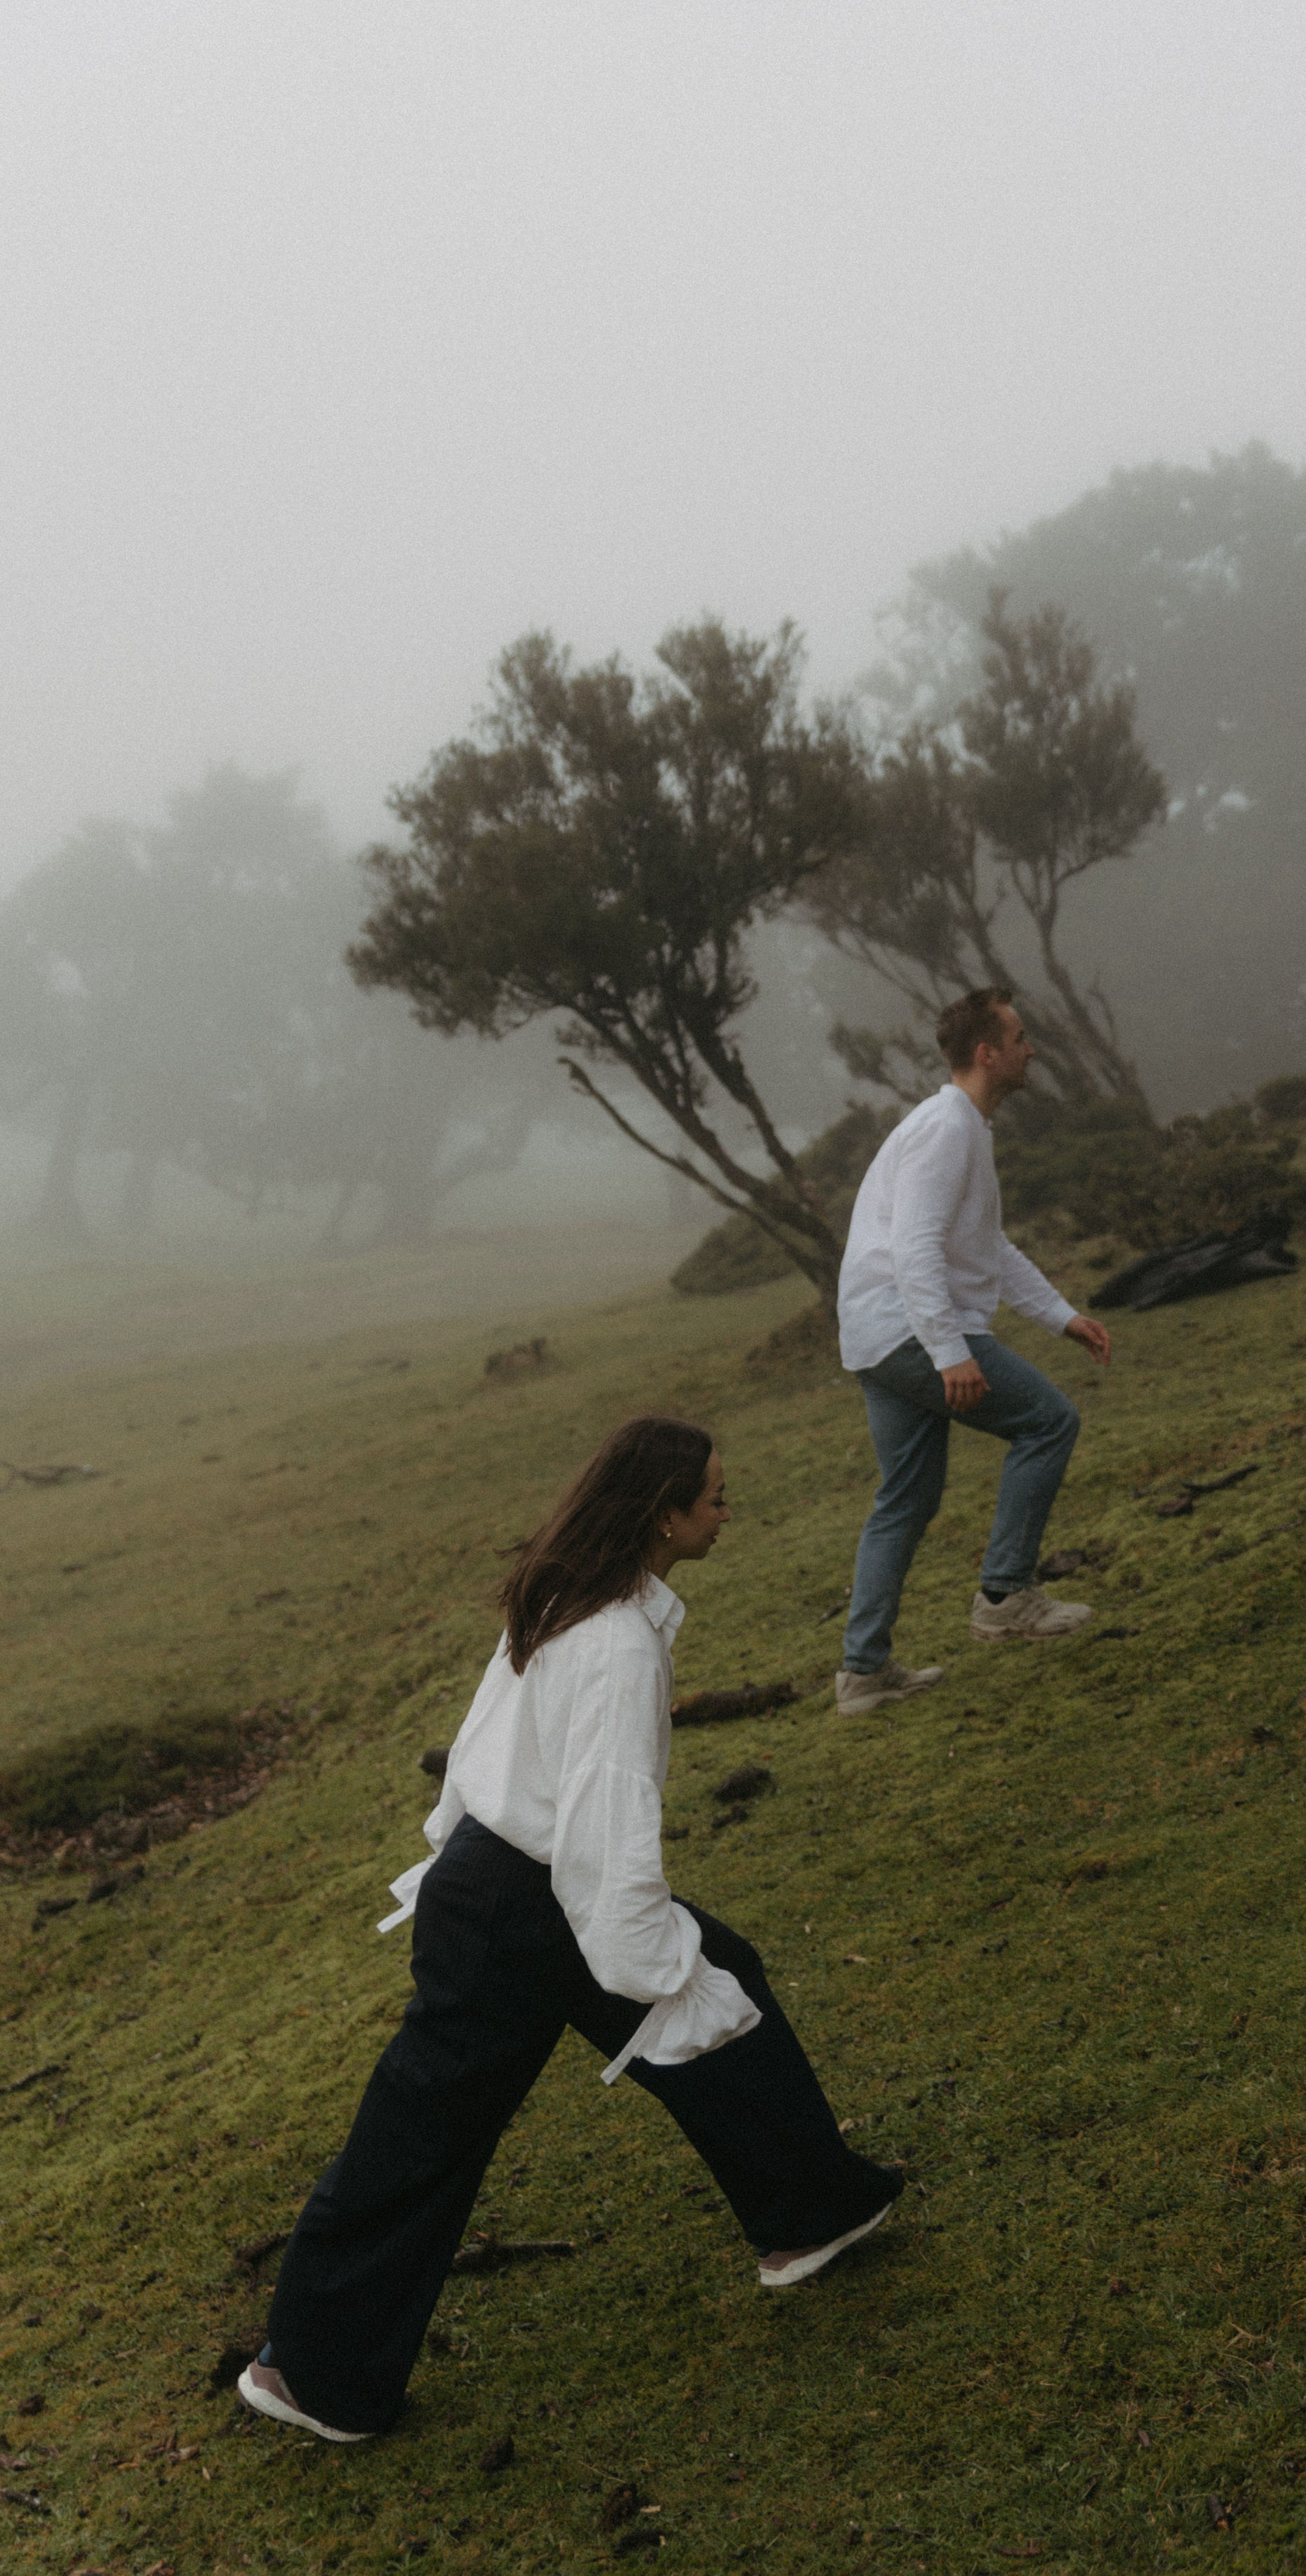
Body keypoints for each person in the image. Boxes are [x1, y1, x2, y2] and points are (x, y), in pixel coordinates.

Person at [238, 1417, 901, 2443]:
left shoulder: (571, 1592)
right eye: (716, 1498)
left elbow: (484, 1743)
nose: (730, 1512)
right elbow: (606, 1817)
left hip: (501, 1883)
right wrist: (649, 1957)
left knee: (724, 1977)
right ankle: (314, 2375)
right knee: (430, 2128)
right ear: (664, 1516)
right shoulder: (616, 1641)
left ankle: (811, 2214)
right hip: (526, 1904)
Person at [832, 988, 1113, 1717]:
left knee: (905, 1498)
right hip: (909, 1332)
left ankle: (863, 1673)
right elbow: (915, 1247)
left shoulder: (963, 1128)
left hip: (878, 1336)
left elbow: (986, 1245)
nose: (1029, 1050)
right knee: (1048, 1421)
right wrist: (949, 1351)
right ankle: (1004, 1597)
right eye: (1019, 1037)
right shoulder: (947, 1129)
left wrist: (1060, 1317)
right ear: (987, 1052)